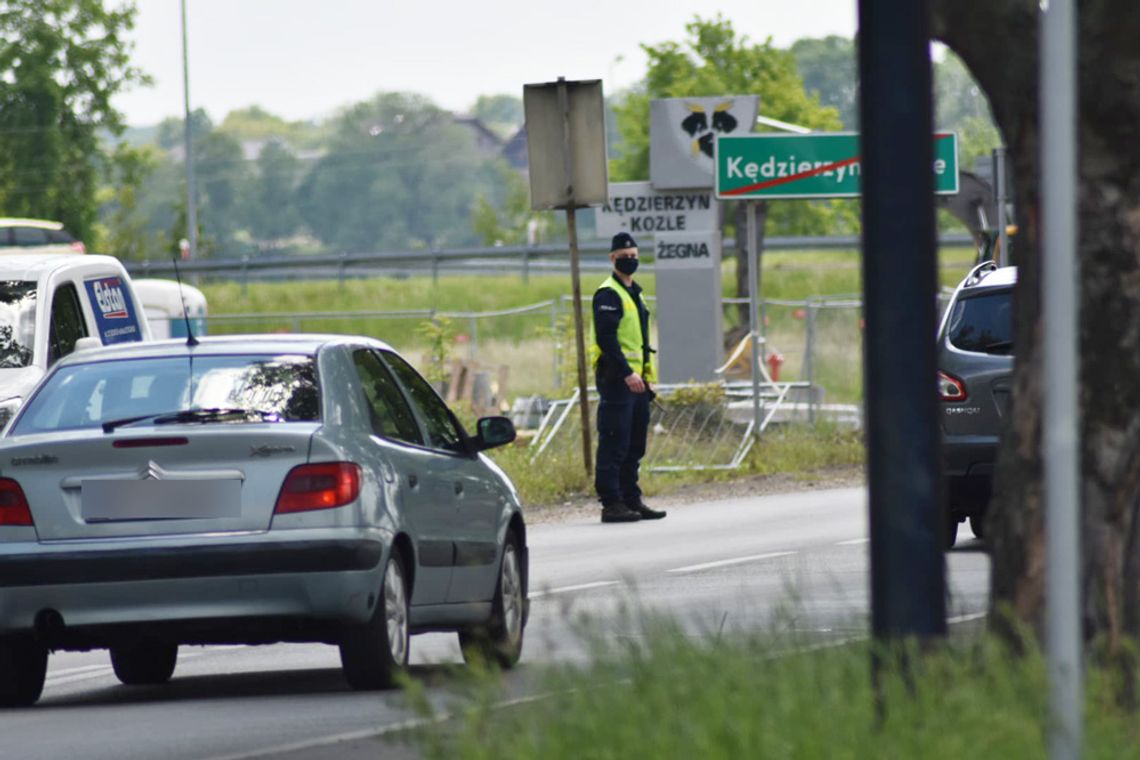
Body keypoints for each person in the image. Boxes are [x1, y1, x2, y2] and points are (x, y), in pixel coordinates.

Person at [591, 232, 667, 523]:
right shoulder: (608, 293)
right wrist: (627, 373)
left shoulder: (635, 292)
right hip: (617, 378)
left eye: (635, 256)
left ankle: (631, 499)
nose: (631, 261)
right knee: (614, 440)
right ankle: (611, 503)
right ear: (612, 258)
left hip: (638, 382)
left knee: (635, 444)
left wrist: (645, 378)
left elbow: (640, 342)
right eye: (625, 257)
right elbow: (607, 339)